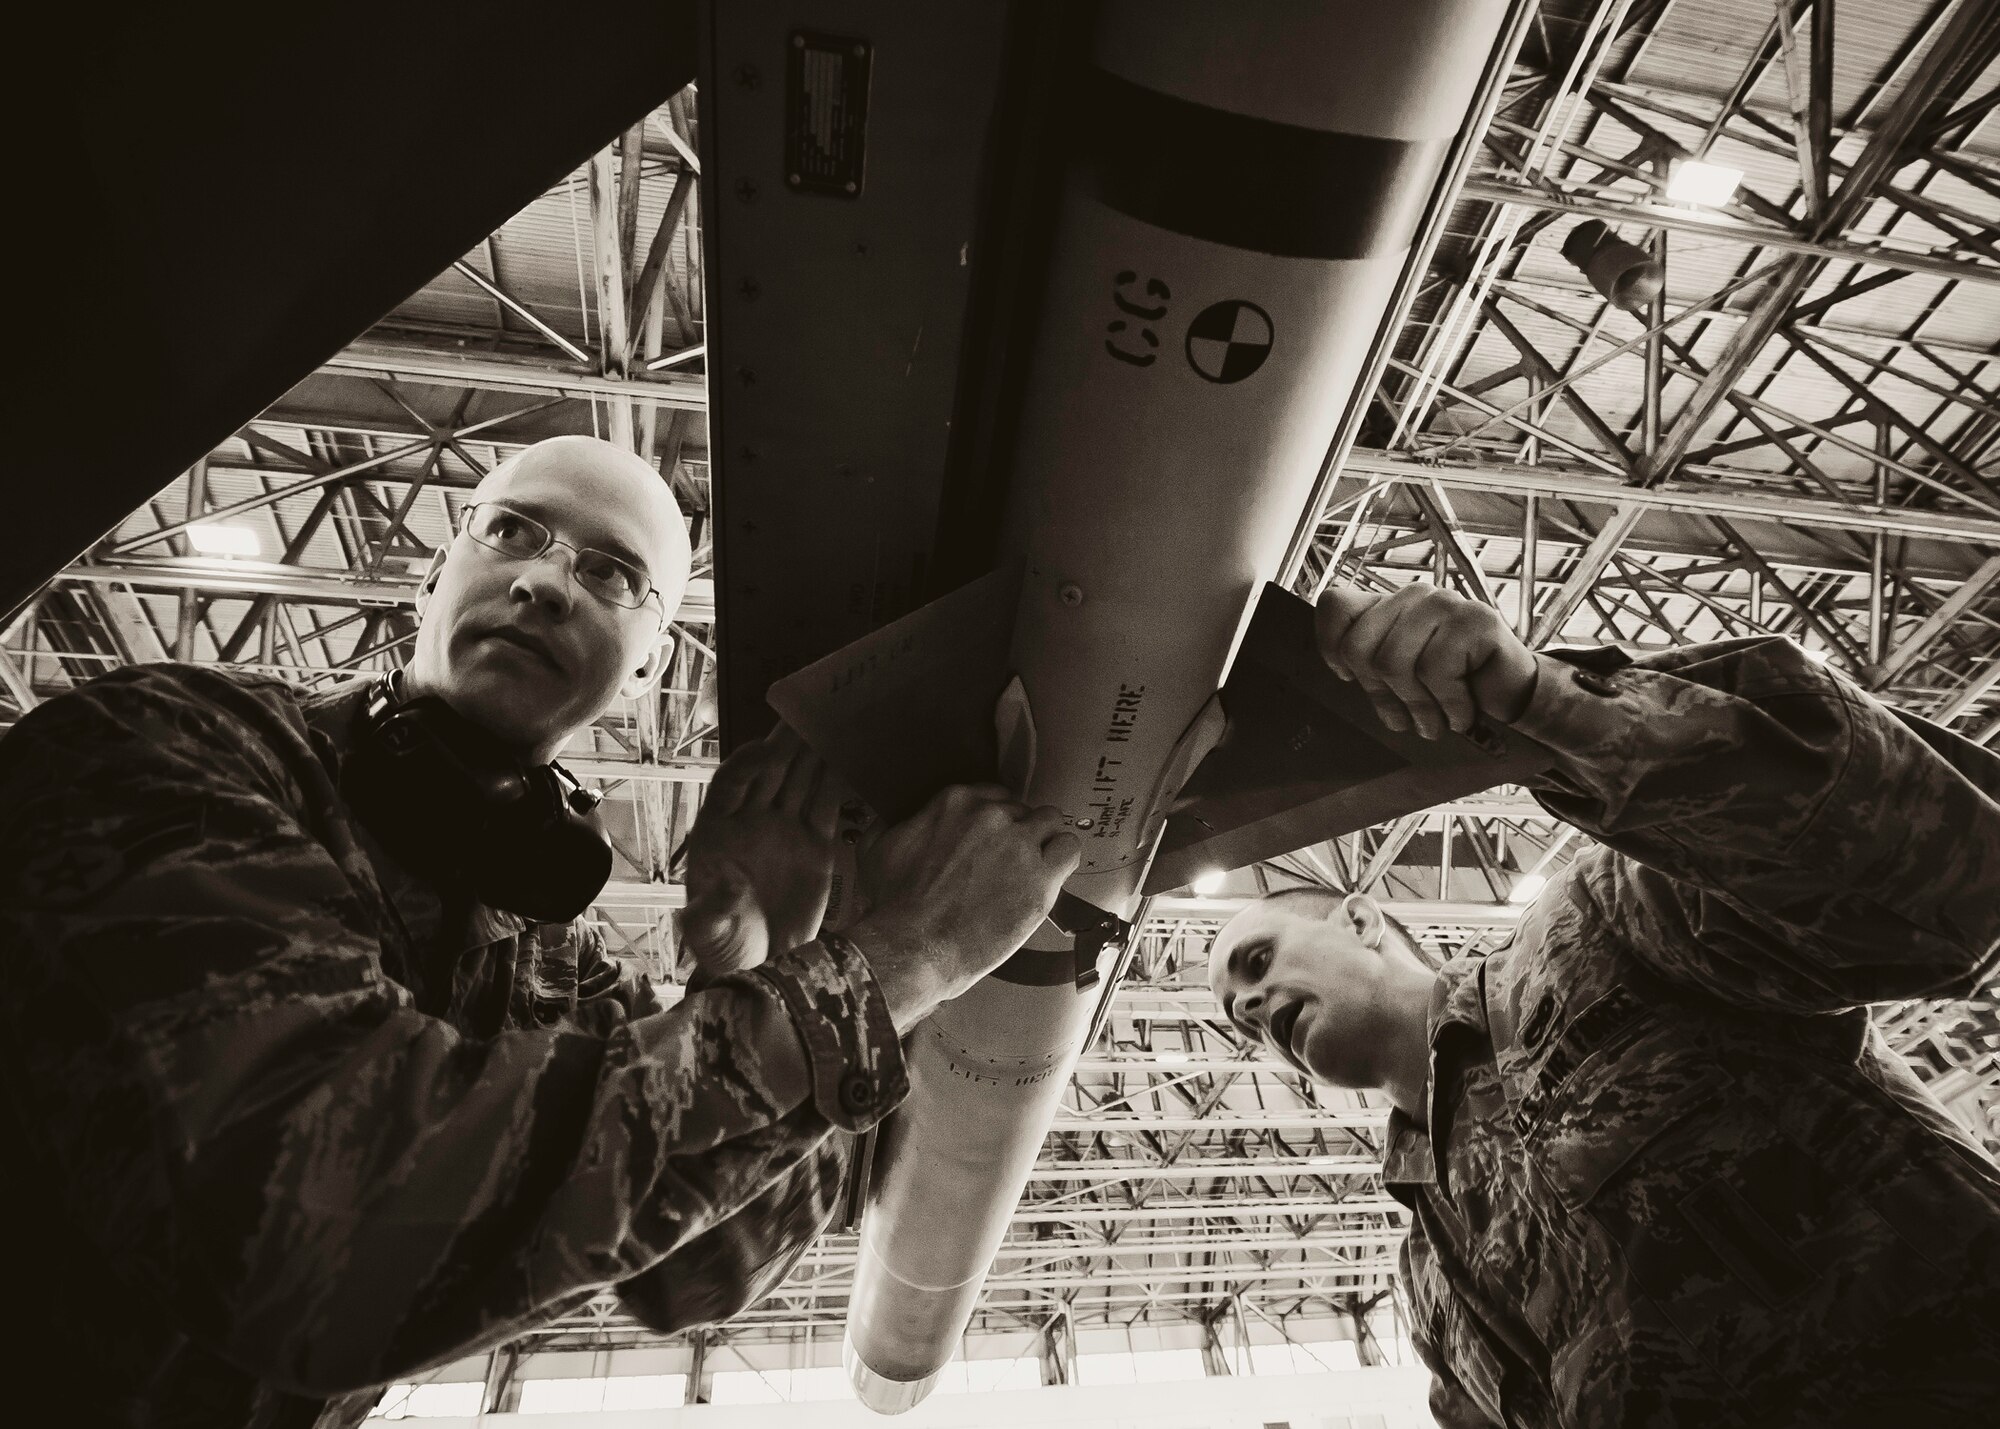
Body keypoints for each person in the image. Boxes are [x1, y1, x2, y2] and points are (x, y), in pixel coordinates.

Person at [0, 435, 1080, 1428]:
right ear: (434, 572)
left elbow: (704, 1272)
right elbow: (310, 1229)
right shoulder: (172, 748)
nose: (546, 580)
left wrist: (768, 968)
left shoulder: (552, 970)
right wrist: (897, 962)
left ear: (649, 665)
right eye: (512, 530)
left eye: (612, 573)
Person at [1207, 580, 2000, 1428]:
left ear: (1361, 918)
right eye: (1236, 1015)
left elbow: (1940, 876)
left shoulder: (1596, 928)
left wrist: (1542, 705)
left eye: (1256, 960)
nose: (1249, 1004)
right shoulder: (1432, 1284)